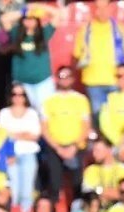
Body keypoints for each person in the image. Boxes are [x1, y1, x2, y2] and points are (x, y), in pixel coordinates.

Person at [72, 0, 124, 116]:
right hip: (93, 82)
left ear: (111, 9)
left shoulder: (120, 30)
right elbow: (76, 56)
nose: (102, 12)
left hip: (115, 81)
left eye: (105, 8)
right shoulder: (86, 30)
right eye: (98, 8)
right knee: (98, 115)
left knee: (116, 115)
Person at [40, 66, 91, 203]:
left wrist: (74, 146)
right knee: (54, 182)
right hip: (55, 147)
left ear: (72, 79)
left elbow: (86, 126)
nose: (64, 80)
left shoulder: (81, 99)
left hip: (76, 146)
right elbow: (44, 128)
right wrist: (58, 148)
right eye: (61, 77)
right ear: (56, 79)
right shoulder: (49, 100)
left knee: (77, 183)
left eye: (67, 77)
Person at [0, 84, 41, 212]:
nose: (17, 97)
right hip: (11, 155)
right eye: (14, 94)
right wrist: (24, 134)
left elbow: (35, 135)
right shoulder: (4, 113)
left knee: (27, 192)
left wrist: (14, 134)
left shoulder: (32, 113)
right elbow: (3, 135)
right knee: (13, 191)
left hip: (28, 154)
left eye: (21, 94)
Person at [9, 7, 57, 110]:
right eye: (27, 18)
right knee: (25, 113)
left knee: (45, 112)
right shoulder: (16, 33)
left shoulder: (44, 33)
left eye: (33, 19)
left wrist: (37, 7)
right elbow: (4, 19)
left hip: (43, 81)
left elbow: (57, 15)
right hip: (22, 82)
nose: (29, 21)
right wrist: (24, 11)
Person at [81, 138, 124, 204]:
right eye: (93, 151)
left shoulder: (123, 169)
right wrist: (110, 193)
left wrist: (99, 191)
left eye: (97, 150)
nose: (94, 154)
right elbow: (88, 195)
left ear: (109, 150)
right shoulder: (91, 170)